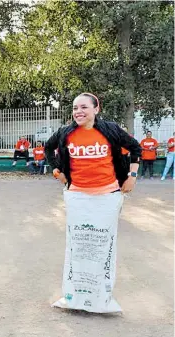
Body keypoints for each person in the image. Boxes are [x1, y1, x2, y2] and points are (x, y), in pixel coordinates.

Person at [45, 93, 141, 313]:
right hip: (77, 196)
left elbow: (135, 148)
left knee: (101, 245)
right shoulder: (65, 133)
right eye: (75, 108)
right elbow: (48, 148)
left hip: (107, 196)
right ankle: (72, 296)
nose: (78, 112)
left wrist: (131, 176)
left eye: (84, 107)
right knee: (77, 246)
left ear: (96, 109)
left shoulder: (110, 130)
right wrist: (57, 170)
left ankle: (101, 299)